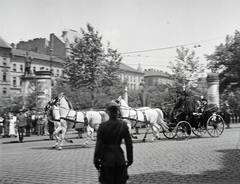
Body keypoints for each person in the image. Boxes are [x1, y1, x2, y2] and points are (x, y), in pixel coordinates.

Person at [94, 101, 133, 184]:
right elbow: (129, 143)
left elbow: (99, 144)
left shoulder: (103, 126)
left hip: (106, 158)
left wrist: (96, 159)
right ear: (118, 112)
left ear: (108, 112)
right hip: (119, 157)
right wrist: (130, 159)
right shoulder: (123, 125)